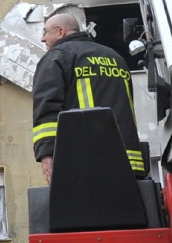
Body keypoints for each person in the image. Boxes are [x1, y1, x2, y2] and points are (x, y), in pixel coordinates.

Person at [32, 13, 144, 184]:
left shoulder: (57, 57)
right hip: (128, 165)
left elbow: (47, 110)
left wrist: (46, 155)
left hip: (85, 164)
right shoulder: (115, 57)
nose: (42, 38)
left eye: (45, 32)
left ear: (60, 32)